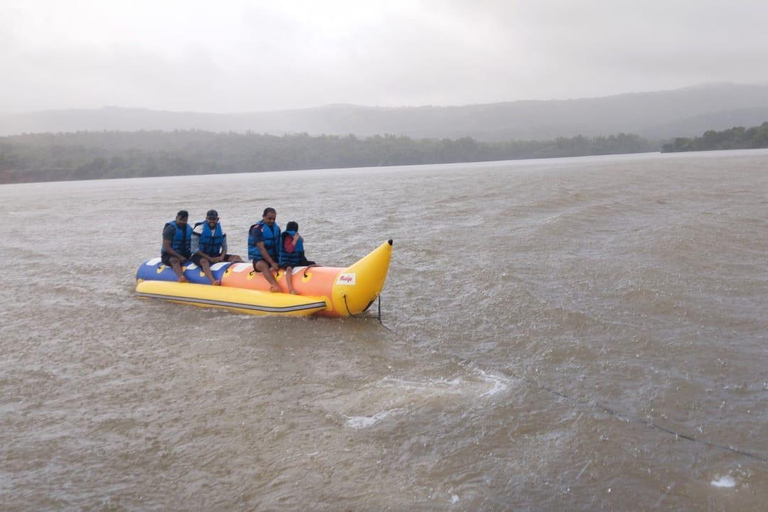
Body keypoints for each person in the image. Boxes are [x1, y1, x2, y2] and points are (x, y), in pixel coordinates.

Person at [191, 209, 242, 285]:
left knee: (236, 257)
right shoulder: (199, 229)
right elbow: (194, 249)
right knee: (204, 262)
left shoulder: (221, 230)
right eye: (210, 219)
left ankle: (245, 276)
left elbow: (224, 248)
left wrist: (221, 257)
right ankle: (213, 281)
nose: (212, 221)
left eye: (214, 219)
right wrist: (210, 259)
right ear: (206, 219)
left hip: (215, 255)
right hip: (199, 255)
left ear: (217, 219)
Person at [248, 207, 281, 292]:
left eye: (274, 219)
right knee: (264, 266)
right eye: (269, 218)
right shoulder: (257, 229)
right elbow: (261, 248)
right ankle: (275, 286)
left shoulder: (276, 228)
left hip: (274, 257)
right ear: (263, 216)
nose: (272, 221)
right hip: (259, 260)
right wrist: (272, 263)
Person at [279, 221, 316, 294]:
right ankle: (290, 289)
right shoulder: (287, 237)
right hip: (286, 261)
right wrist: (295, 240)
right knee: (289, 269)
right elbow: (289, 249)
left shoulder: (297, 236)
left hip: (297, 260)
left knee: (314, 264)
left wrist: (299, 239)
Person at [161, 210, 192, 283]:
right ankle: (181, 277)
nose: (182, 222)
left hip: (185, 255)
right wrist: (179, 257)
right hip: (169, 255)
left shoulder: (189, 229)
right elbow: (167, 247)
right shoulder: (170, 229)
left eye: (184, 220)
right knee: (174, 260)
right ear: (176, 217)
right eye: (180, 219)